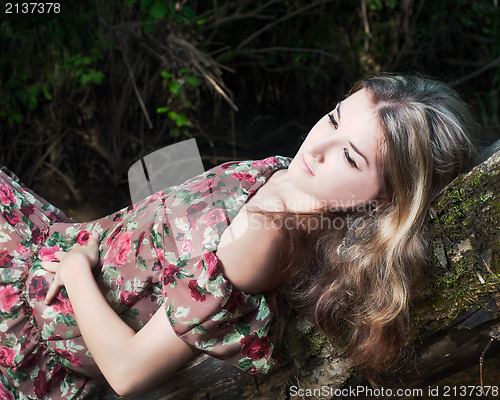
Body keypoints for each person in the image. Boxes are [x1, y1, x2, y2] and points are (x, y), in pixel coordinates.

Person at [0, 73, 478, 399]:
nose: (318, 147)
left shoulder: (262, 240)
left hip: (36, 315)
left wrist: (78, 270)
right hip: (60, 248)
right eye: (333, 118)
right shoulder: (297, 181)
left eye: (351, 158)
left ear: (382, 202)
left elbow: (127, 373)